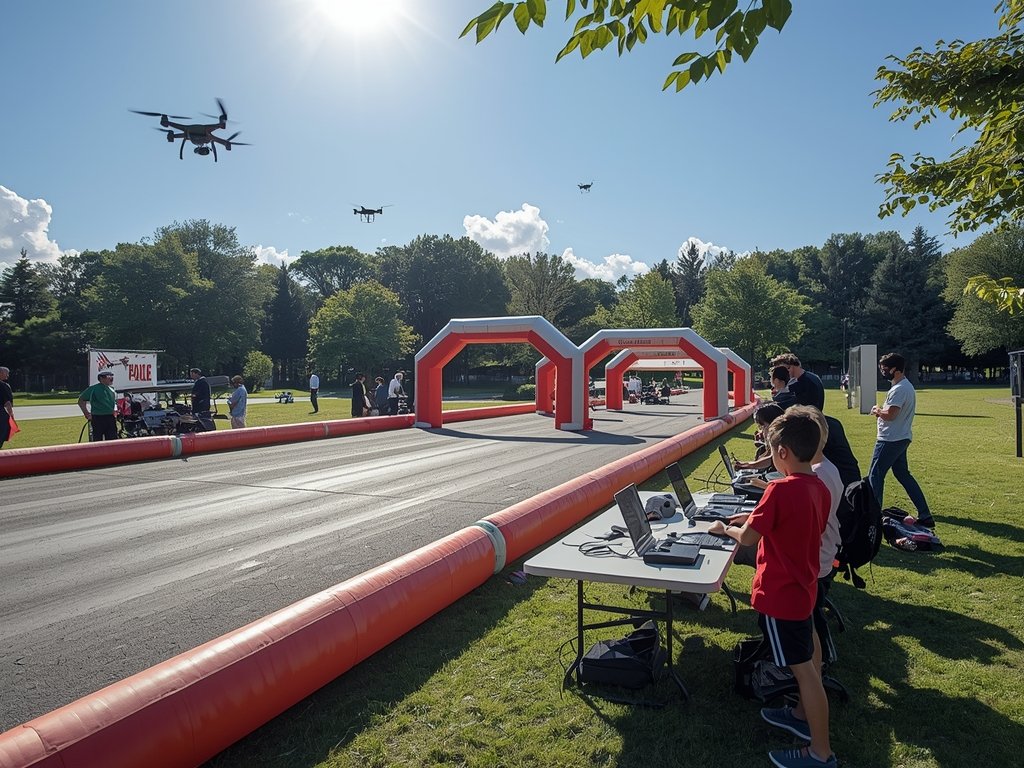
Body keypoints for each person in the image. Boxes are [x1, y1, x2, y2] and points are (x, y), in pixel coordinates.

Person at [709, 410, 836, 768]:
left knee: (805, 674)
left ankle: (820, 753)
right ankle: (799, 713)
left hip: (782, 595)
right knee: (810, 655)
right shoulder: (820, 487)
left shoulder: (779, 489)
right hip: (805, 588)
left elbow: (749, 537)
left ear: (782, 453)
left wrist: (724, 529)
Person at [867, 352, 934, 527]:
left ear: (896, 370)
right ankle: (925, 514)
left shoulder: (899, 389)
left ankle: (873, 515)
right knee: (903, 475)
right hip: (901, 437)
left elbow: (890, 415)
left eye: (885, 369)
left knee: (875, 474)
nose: (883, 372)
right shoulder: (905, 386)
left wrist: (877, 410)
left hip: (890, 439)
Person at [78, 371, 119, 441]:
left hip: (110, 417)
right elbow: (81, 400)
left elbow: (114, 402)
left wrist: (115, 410)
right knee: (97, 439)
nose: (111, 378)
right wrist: (86, 413)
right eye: (109, 377)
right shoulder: (94, 388)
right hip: (98, 417)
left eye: (112, 376)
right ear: (101, 378)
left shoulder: (112, 390)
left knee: (112, 439)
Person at [0, 366, 14, 449]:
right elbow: (7, 403)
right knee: (3, 431)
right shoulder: (4, 386)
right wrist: (11, 415)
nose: (8, 376)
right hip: (1, 413)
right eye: (6, 373)